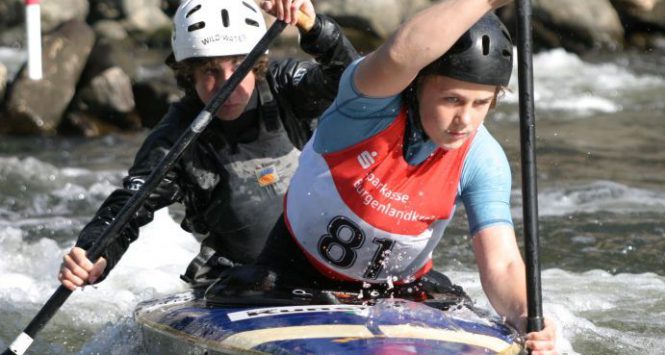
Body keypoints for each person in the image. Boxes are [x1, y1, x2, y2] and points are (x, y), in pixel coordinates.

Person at [211, 0, 556, 352]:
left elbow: (502, 262)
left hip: (400, 289)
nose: (465, 120)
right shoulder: (364, 110)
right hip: (293, 274)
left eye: (480, 103)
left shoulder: (484, 159)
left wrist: (525, 315)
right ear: (417, 84)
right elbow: (398, 56)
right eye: (452, 99)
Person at [57, 0, 359, 290]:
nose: (228, 86)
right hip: (239, 281)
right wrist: (95, 253)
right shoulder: (175, 138)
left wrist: (315, 27)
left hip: (324, 263)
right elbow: (130, 206)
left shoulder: (288, 87)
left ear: (256, 65)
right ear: (189, 73)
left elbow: (354, 81)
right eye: (211, 71)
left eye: (239, 66)